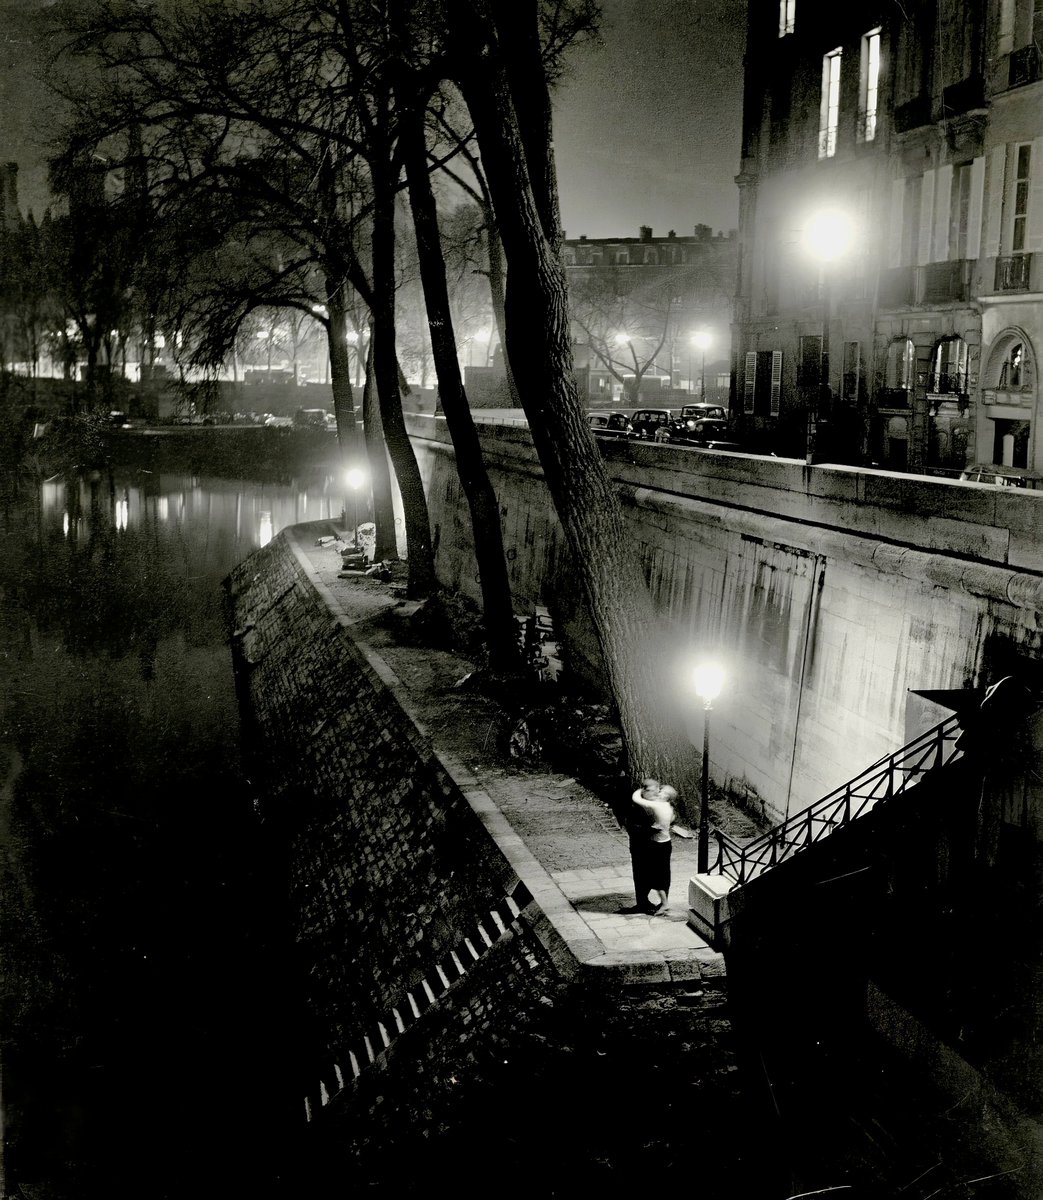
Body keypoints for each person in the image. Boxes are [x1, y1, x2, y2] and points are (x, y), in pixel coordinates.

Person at [619, 778, 694, 914]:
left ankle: (662, 902)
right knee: (641, 874)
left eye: (658, 791)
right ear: (645, 790)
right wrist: (651, 830)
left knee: (661, 873)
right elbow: (631, 825)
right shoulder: (637, 806)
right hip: (641, 845)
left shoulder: (658, 804)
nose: (657, 794)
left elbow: (669, 819)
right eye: (654, 791)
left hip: (657, 845)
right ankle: (643, 902)